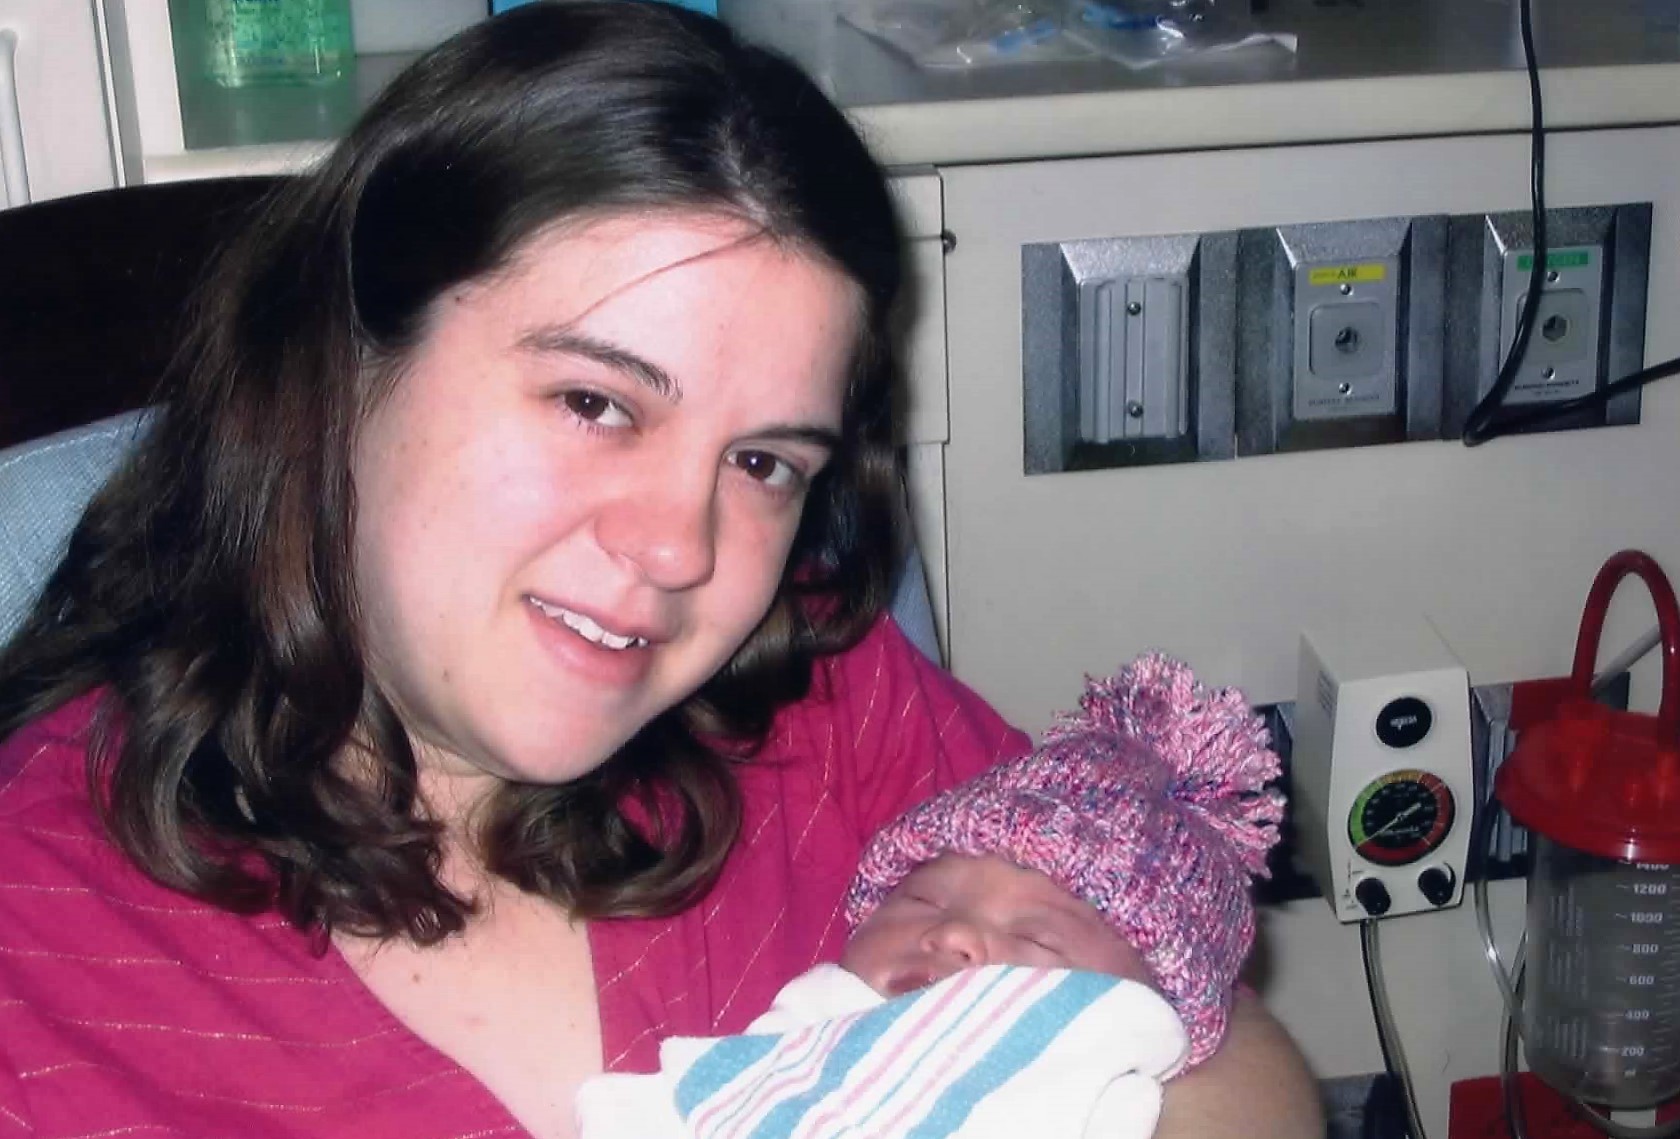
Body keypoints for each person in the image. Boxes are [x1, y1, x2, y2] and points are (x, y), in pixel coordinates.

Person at [0, 4, 1322, 1138]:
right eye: (597, 402)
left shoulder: (821, 698)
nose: (680, 549)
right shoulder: (40, 949)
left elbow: (1222, 1049)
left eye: (762, 463)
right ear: (342, 358)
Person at [575, 654, 1284, 1138]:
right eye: (920, 901)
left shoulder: (1098, 1090)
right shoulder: (814, 1024)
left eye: (1039, 938)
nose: (951, 936)